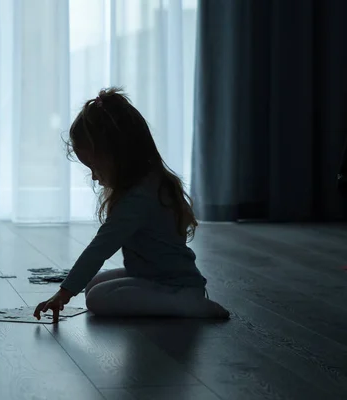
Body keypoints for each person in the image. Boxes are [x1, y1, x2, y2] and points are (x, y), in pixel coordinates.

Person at [34, 88, 230, 323]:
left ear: (118, 156)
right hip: (154, 275)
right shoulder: (150, 181)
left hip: (173, 283)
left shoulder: (138, 198)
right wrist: (70, 288)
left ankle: (188, 304)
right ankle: (182, 298)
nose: (95, 177)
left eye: (95, 168)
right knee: (94, 285)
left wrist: (63, 293)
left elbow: (100, 248)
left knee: (97, 297)